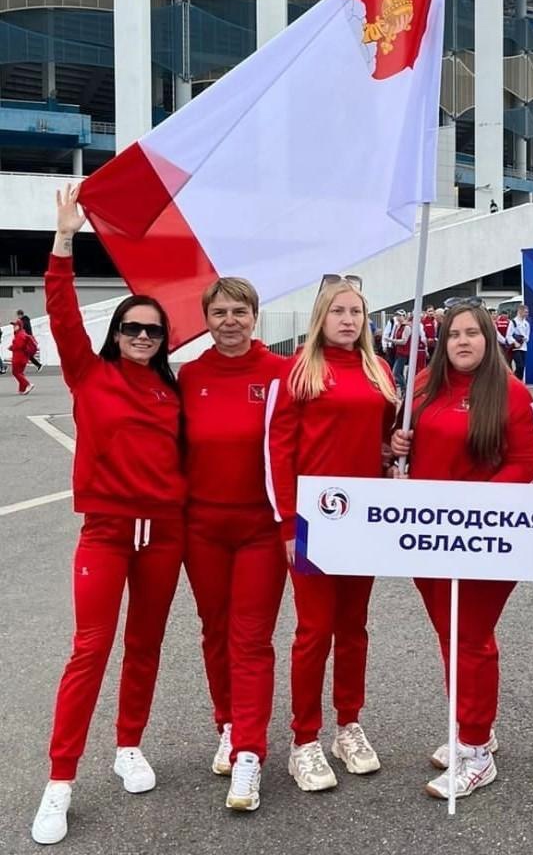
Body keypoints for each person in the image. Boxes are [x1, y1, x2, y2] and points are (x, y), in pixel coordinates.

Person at [31, 184, 185, 847]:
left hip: (166, 536)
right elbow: (61, 310)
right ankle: (59, 783)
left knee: (145, 647)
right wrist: (65, 237)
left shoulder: (172, 390)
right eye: (132, 328)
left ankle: (129, 746)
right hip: (107, 533)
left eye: (153, 330)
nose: (143, 337)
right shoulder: (89, 377)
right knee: (90, 650)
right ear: (116, 333)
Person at [390, 302, 533, 801]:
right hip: (427, 539)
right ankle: (471, 724)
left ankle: (476, 748)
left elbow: (527, 463)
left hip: (486, 542)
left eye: (472, 333)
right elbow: (401, 455)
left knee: (470, 636)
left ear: (489, 339)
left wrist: (477, 508)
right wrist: (397, 445)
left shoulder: (513, 395)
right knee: (448, 634)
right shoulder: (421, 389)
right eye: (454, 334)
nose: (462, 342)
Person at [266, 275, 397, 791]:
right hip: (314, 522)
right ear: (321, 316)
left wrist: (397, 445)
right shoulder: (298, 371)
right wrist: (287, 525)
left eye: (357, 313)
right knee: (314, 630)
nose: (348, 320)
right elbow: (278, 453)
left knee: (354, 628)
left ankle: (348, 724)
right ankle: (304, 740)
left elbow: (385, 441)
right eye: (339, 311)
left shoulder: (380, 370)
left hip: (364, 520)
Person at [179, 276, 290, 813]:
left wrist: (392, 440)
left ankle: (250, 752)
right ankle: (226, 722)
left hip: (260, 530)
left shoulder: (280, 374)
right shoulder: (190, 376)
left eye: (239, 312)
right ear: (207, 318)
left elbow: (329, 425)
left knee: (251, 640)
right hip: (201, 527)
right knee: (214, 632)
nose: (229, 321)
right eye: (219, 312)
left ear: (255, 316)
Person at [8, 317, 36, 394]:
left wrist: (11, 347)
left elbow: (19, 346)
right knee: (20, 372)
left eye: (15, 325)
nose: (14, 327)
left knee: (15, 372)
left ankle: (28, 384)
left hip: (18, 357)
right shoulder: (23, 334)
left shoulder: (19, 335)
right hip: (23, 357)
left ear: (19, 326)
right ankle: (22, 389)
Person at [506, 304, 530, 381]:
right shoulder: (513, 322)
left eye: (527, 312)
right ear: (520, 311)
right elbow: (508, 335)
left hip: (523, 347)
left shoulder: (526, 323)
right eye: (525, 312)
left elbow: (527, 336)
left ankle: (518, 381)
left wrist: (524, 339)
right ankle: (515, 380)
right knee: (519, 365)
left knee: (522, 367)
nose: (527, 314)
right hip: (515, 348)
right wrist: (515, 342)